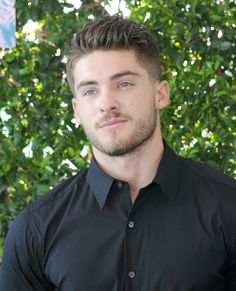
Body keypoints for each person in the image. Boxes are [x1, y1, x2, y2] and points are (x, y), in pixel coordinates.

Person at [0, 15, 235, 291]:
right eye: (90, 91)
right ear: (77, 110)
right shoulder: (35, 230)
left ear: (161, 94)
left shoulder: (228, 207)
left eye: (123, 84)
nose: (106, 103)